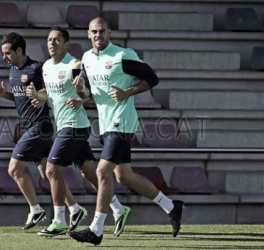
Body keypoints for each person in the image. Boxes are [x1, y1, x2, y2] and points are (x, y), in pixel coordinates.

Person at [69, 18, 184, 246]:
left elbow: (152, 78)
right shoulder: (87, 59)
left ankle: (96, 230)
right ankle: (172, 207)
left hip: (122, 121)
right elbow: (89, 94)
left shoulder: (123, 56)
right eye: (94, 31)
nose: (98, 35)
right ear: (88, 34)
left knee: (102, 172)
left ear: (109, 32)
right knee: (124, 176)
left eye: (102, 31)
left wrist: (127, 92)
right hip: (106, 123)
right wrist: (80, 91)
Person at [26, 27, 130, 238]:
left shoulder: (74, 64)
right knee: (90, 173)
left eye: (56, 40)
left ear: (66, 45)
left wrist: (80, 94)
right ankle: (119, 209)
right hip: (66, 124)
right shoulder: (46, 66)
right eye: (49, 40)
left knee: (52, 170)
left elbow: (87, 91)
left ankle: (59, 221)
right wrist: (37, 95)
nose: (52, 43)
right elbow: (52, 92)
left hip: (74, 125)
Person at [0, 32, 88, 232]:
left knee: (14, 169)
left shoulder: (37, 69)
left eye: (7, 52)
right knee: (49, 174)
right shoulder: (13, 70)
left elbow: (50, 91)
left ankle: (36, 210)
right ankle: (74, 208)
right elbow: (21, 98)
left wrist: (40, 95)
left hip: (40, 127)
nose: (4, 57)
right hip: (29, 126)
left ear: (19, 50)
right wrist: (6, 95)